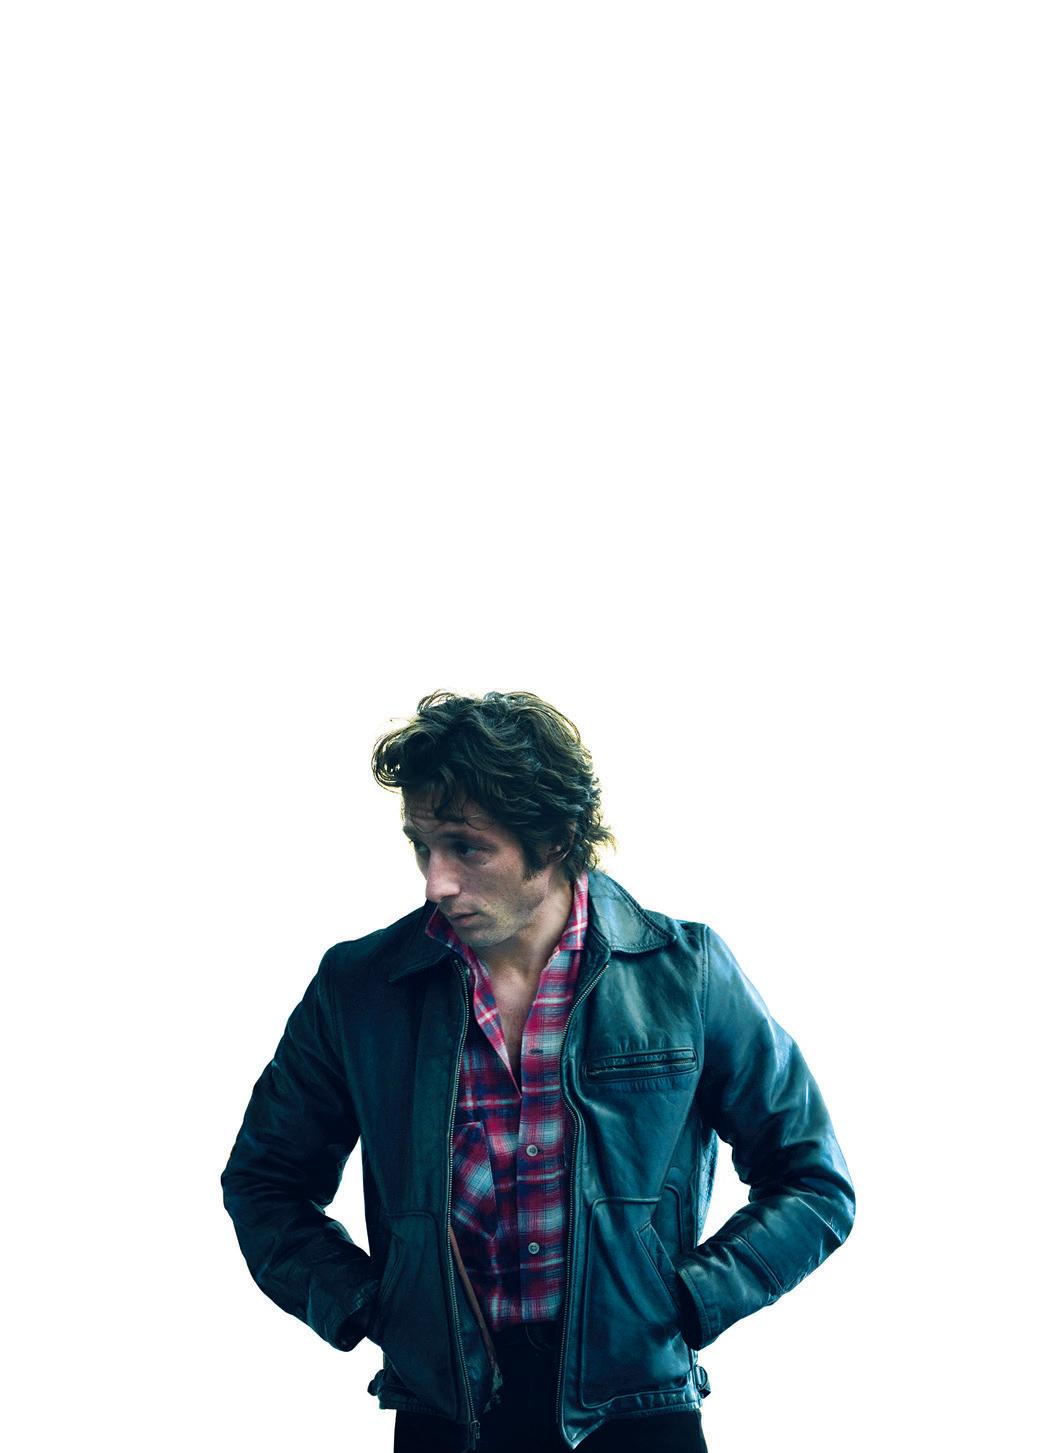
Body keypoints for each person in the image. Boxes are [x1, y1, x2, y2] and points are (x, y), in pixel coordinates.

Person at [221, 690, 855, 1451]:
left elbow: (813, 1182)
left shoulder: (684, 973)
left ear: (553, 839)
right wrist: (367, 1304)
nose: (436, 881)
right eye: (422, 846)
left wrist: (690, 1299)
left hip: (639, 1407)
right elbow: (264, 1181)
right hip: (446, 1413)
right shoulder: (360, 988)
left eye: (467, 848)